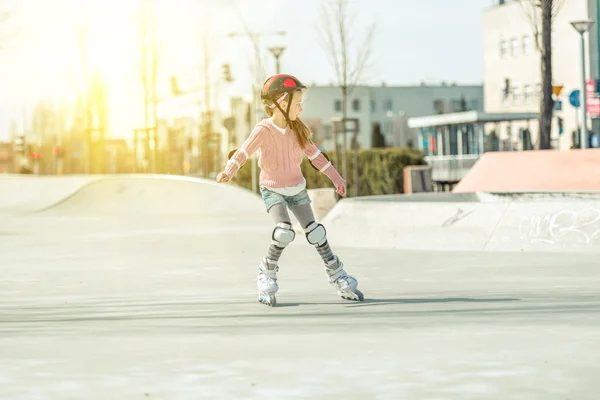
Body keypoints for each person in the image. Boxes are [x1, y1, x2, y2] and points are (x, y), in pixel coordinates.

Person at [216, 74, 363, 306]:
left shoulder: (298, 131)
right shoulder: (263, 129)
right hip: (272, 189)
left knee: (316, 232)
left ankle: (337, 274)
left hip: (297, 189)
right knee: (283, 231)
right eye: (297, 103)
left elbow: (316, 157)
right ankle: (266, 271)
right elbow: (243, 152)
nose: (301, 108)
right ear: (282, 104)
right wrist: (228, 171)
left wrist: (337, 179)